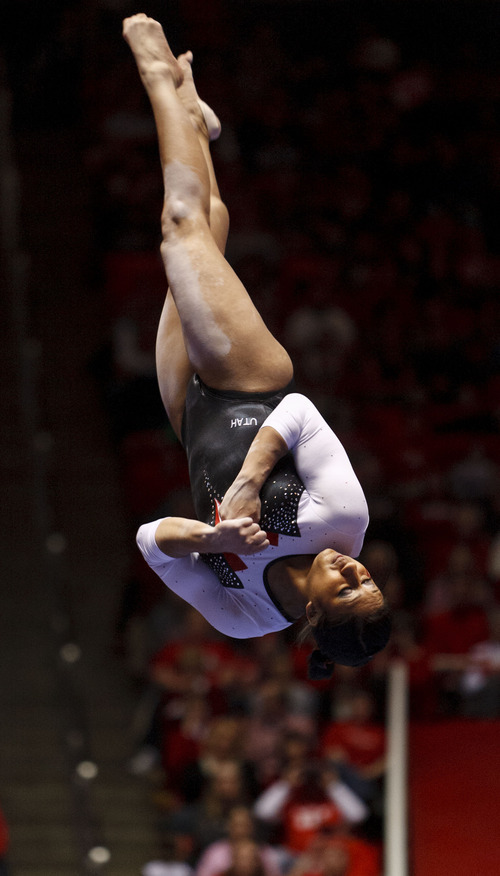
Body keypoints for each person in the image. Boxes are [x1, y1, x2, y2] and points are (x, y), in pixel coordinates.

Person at [124, 13, 391, 679]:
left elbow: (150, 544)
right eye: (370, 579)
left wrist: (209, 538)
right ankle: (159, 75)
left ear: (314, 618)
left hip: (190, 412)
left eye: (350, 589)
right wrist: (247, 485)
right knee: (181, 229)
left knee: (207, 226)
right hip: (250, 380)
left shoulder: (242, 616)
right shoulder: (342, 519)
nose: (358, 569)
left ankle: (192, 117)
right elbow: (299, 411)